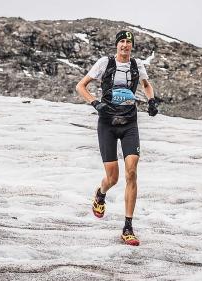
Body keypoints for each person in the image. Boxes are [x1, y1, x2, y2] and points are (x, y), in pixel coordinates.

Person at [75, 30, 158, 246]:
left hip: (130, 123)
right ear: (117, 45)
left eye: (129, 42)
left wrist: (151, 101)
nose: (125, 45)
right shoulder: (105, 63)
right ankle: (100, 194)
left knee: (132, 171)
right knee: (113, 178)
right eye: (122, 41)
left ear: (132, 46)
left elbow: (146, 84)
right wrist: (95, 103)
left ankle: (128, 227)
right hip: (108, 124)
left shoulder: (137, 65)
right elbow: (81, 86)